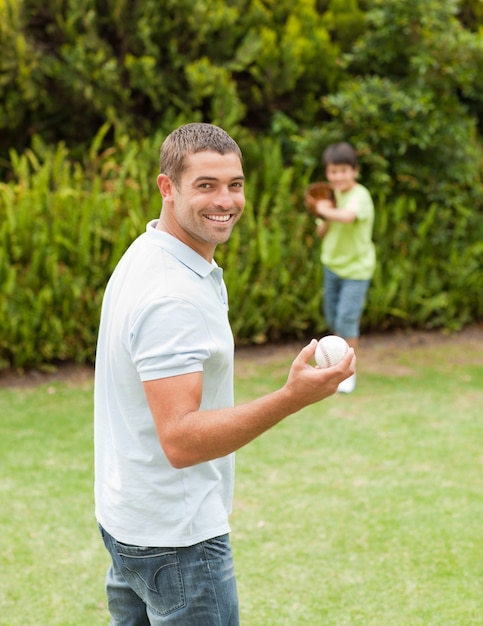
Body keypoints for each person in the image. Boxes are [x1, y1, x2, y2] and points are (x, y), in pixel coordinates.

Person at [94, 122, 355, 626]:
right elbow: (181, 440)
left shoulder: (149, 250)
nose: (226, 200)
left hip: (130, 520)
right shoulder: (172, 294)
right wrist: (292, 397)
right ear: (167, 188)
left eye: (234, 184)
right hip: (177, 539)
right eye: (206, 185)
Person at [304, 141, 375, 394]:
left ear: (355, 171)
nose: (338, 176)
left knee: (346, 320)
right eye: (333, 171)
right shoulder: (331, 196)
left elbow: (348, 217)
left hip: (356, 270)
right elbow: (323, 231)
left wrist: (325, 209)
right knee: (333, 318)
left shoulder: (360, 196)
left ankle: (348, 374)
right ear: (327, 173)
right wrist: (322, 214)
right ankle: (337, 363)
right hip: (331, 266)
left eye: (344, 170)